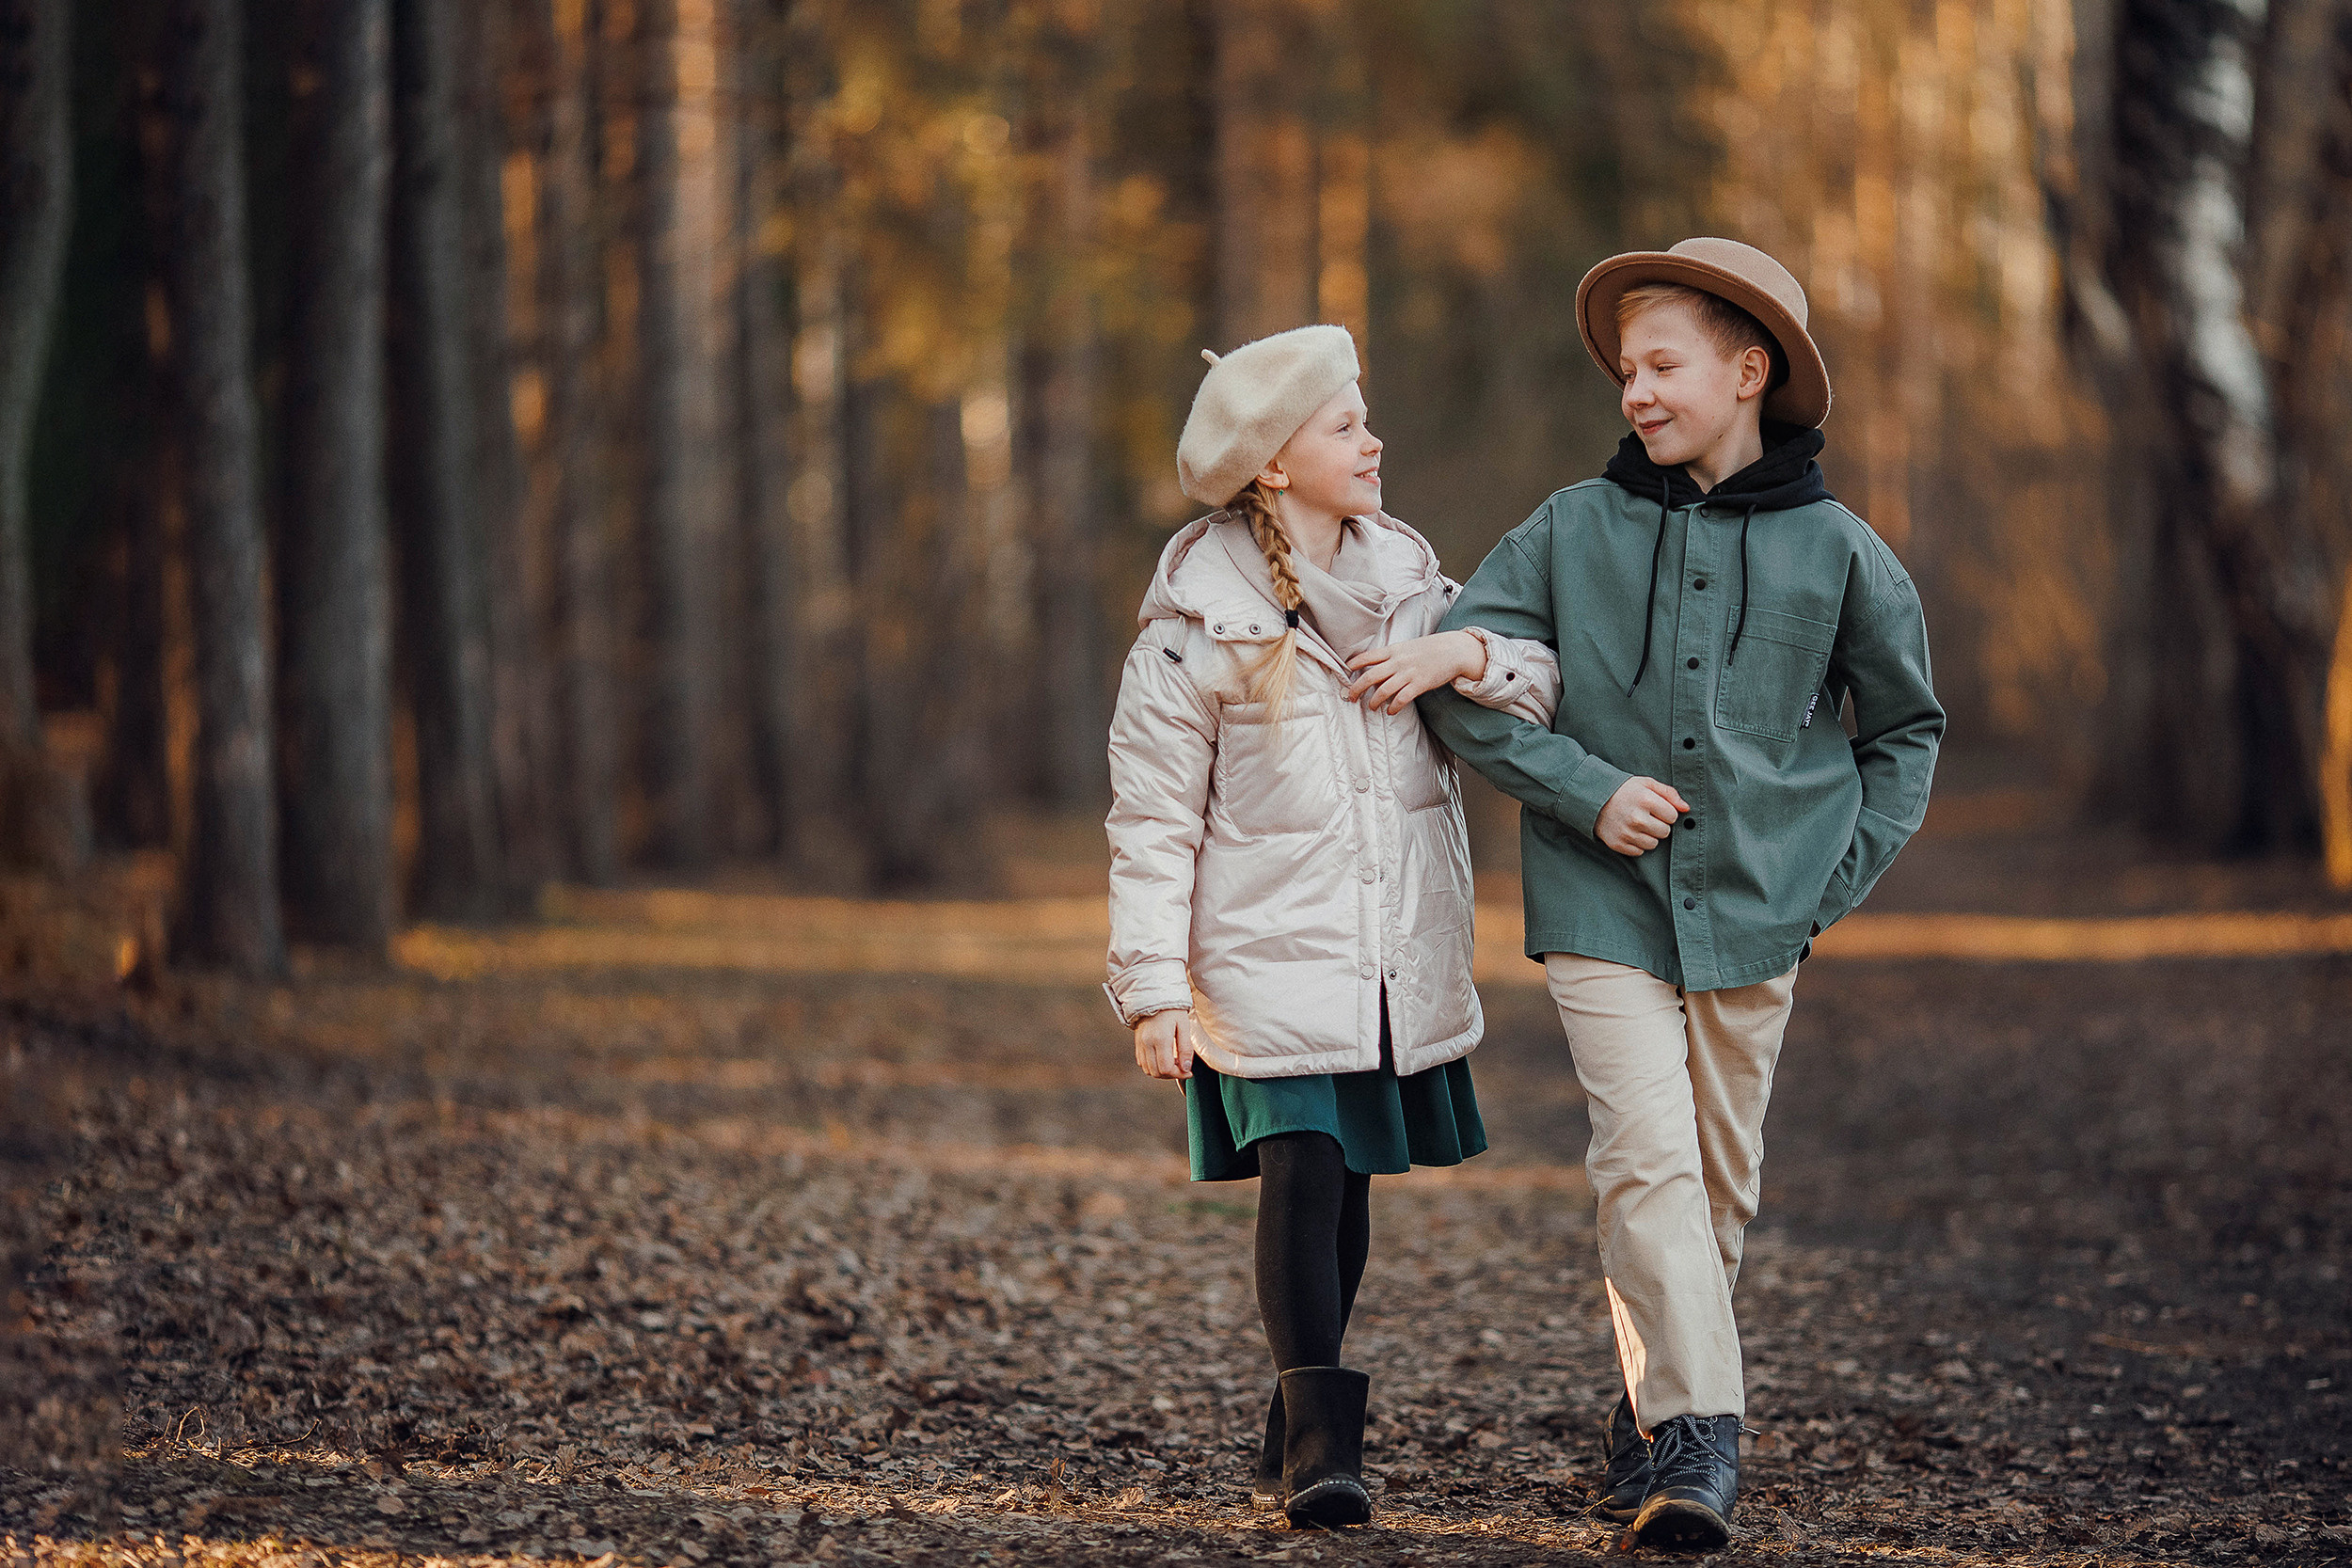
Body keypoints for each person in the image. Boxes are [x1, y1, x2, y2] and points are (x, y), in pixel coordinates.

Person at [1418, 239, 1944, 1552]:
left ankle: (1652, 1407)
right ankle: (1704, 1431)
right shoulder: (1565, 527)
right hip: (1600, 901)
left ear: (1747, 369)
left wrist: (1828, 880)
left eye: (1663, 365)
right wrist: (1586, 786)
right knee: (1644, 1155)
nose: (1635, 392)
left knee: (1716, 1182)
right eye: (1625, 371)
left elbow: (1906, 730)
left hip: (1761, 910)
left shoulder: (1843, 553)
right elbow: (1451, 685)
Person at [1104, 325, 1560, 1529]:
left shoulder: (1414, 584)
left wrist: (1454, 652)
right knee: (1301, 1166)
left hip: (1382, 956)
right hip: (1256, 959)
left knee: (1349, 1181)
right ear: (1270, 463)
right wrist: (1151, 988)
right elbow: (1151, 819)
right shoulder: (1194, 627)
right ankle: (1321, 1450)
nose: (1373, 441)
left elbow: (1539, 675)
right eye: (1345, 425)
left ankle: (1297, 1407)